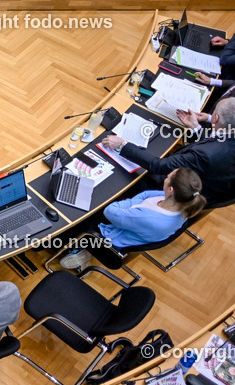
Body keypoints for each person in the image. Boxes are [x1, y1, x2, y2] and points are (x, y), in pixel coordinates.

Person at [102, 98, 235, 208]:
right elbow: (215, 143)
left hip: (176, 193)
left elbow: (159, 166)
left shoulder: (204, 155)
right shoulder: (228, 137)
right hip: (209, 185)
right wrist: (195, 128)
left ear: (215, 118)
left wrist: (122, 145)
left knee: (119, 173)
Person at [63, 168, 207, 269]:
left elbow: (110, 211)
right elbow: (146, 194)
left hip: (108, 238)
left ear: (171, 189)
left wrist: (130, 205)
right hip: (127, 221)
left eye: (168, 177)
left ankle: (80, 250)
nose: (166, 178)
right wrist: (131, 205)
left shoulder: (148, 218)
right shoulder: (181, 204)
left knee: (79, 211)